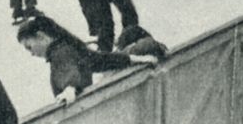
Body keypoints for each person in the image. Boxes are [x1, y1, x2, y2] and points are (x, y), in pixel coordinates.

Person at [16, 14, 160, 105]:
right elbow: (99, 60)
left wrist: (69, 88)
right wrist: (133, 59)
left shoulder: (60, 52)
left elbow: (67, 70)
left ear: (41, 36)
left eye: (29, 47)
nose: (31, 53)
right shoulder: (68, 46)